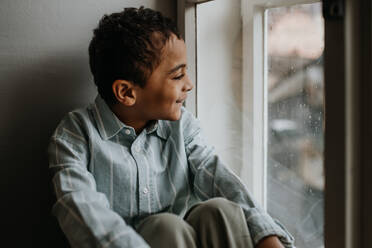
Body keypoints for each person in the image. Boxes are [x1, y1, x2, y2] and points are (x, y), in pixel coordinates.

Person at [48, 6, 295, 248]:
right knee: (166, 228)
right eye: (178, 76)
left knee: (220, 211)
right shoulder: (76, 134)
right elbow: (79, 206)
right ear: (126, 92)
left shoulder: (183, 126)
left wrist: (265, 234)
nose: (189, 85)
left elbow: (216, 175)